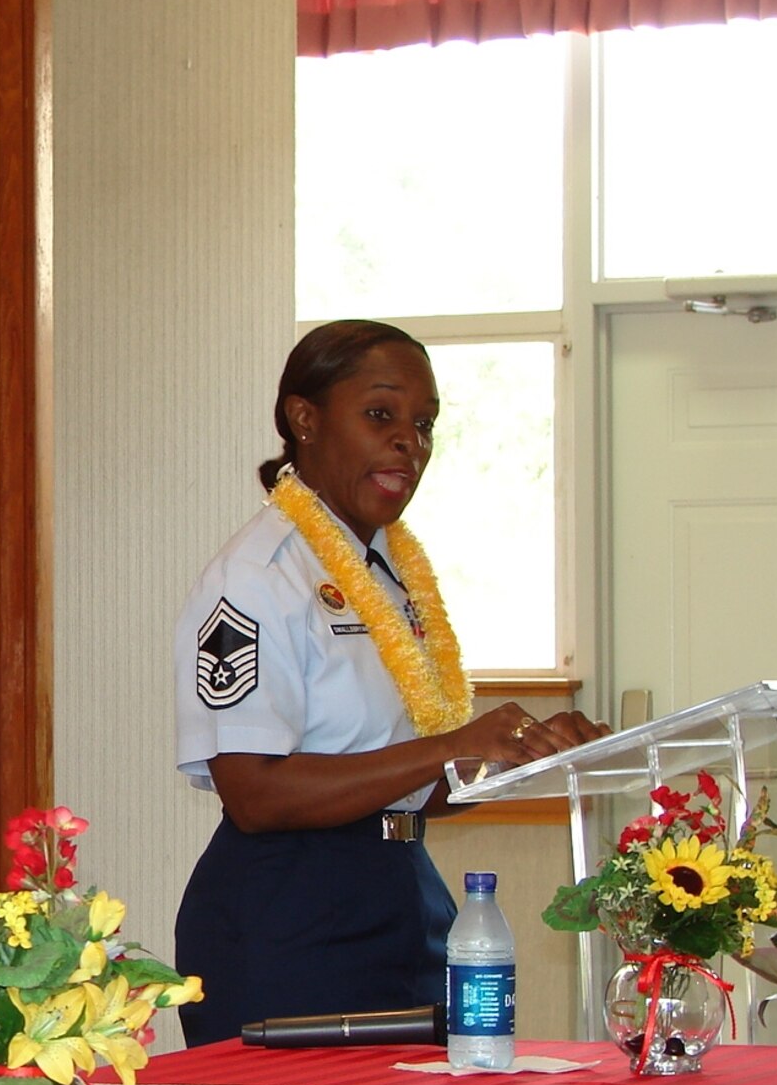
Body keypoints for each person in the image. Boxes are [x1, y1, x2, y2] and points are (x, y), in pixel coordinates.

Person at [173, 320, 603, 1047]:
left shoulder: (389, 573)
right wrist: (451, 747)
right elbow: (253, 792)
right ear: (303, 419)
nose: (411, 442)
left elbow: (408, 782)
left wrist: (524, 759)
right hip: (291, 915)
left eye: (426, 424)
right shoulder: (258, 576)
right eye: (381, 415)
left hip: (405, 889)